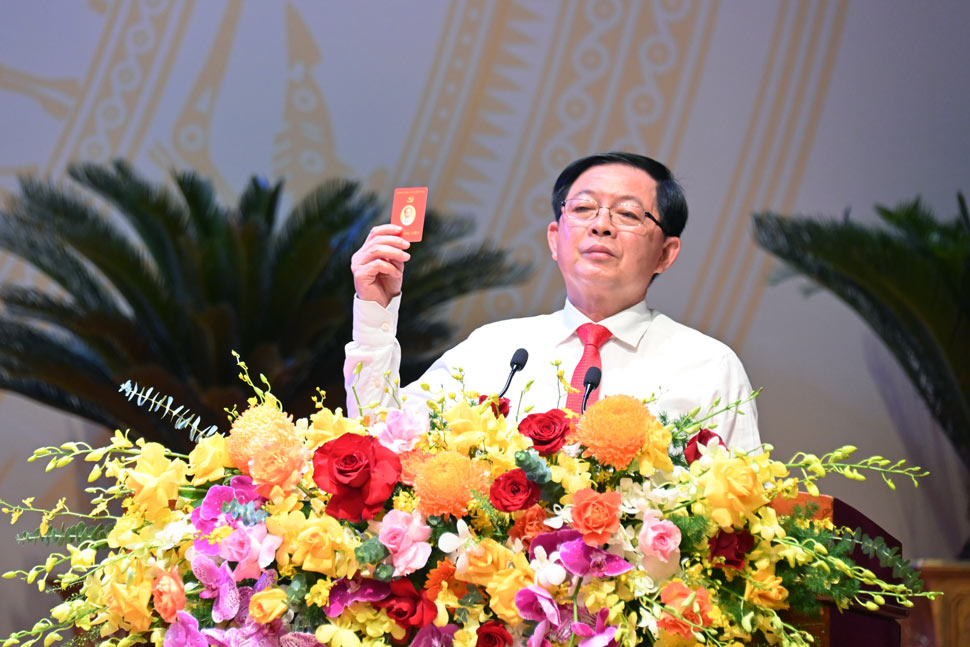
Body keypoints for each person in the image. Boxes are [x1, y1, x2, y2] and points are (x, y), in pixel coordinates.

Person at [345, 152, 760, 451]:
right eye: (583, 208)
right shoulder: (493, 349)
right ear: (554, 239)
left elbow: (742, 512)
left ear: (666, 254)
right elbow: (379, 443)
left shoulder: (708, 367)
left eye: (629, 215)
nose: (601, 225)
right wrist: (375, 314)